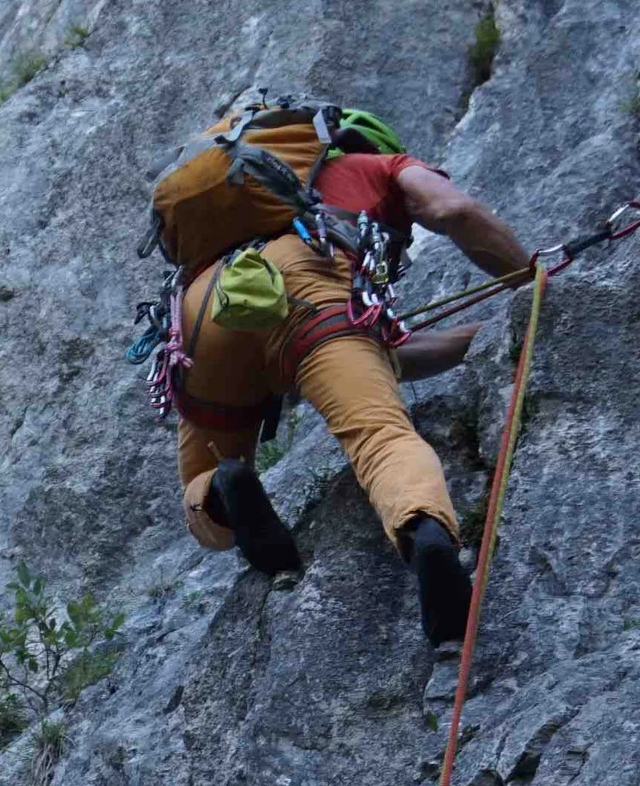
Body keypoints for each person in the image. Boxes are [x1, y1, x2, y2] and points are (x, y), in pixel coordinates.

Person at [173, 126, 531, 642]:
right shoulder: (381, 167)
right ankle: (423, 530)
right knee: (380, 436)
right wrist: (534, 282)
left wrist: (487, 334)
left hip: (204, 307)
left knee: (203, 476)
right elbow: (455, 212)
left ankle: (225, 491)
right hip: (306, 281)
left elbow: (379, 355)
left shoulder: (226, 213)